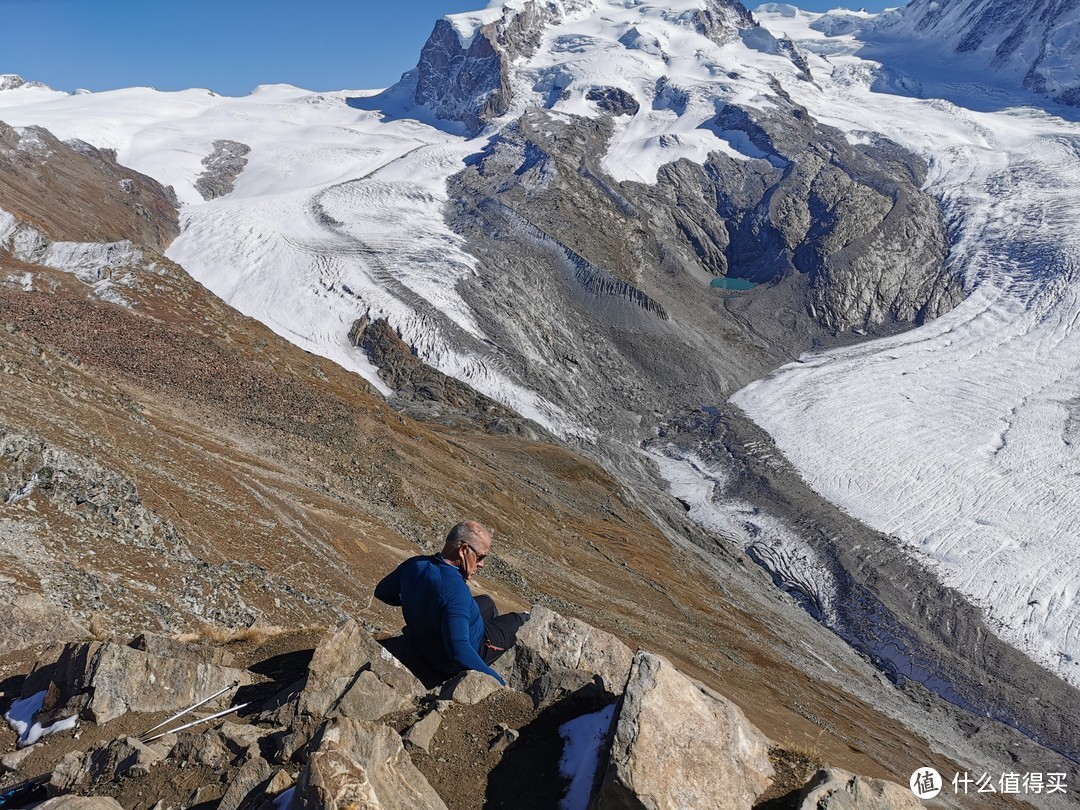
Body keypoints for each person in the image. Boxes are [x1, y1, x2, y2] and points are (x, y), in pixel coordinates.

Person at [374, 520, 528, 685]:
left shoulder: (415, 564)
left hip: (425, 641)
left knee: (487, 602)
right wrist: (498, 684)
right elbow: (459, 652)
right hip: (448, 660)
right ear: (463, 550)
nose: (481, 564)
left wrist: (418, 604)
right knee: (523, 620)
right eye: (480, 557)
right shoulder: (454, 591)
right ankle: (490, 644)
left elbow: (382, 592)